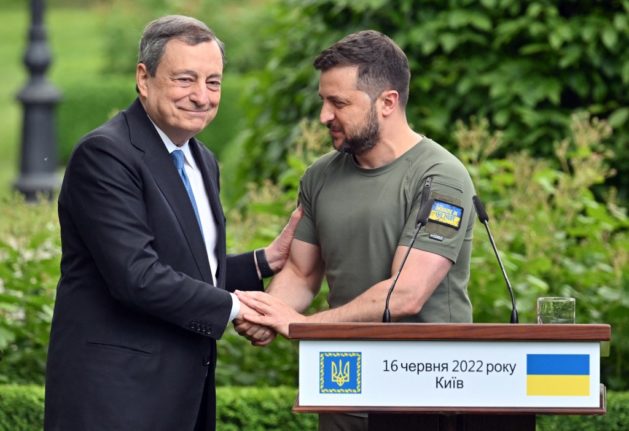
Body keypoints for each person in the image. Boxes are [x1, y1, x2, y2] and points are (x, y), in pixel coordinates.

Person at [44, 15, 299, 431]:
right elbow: (136, 276)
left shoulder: (203, 161)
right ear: (143, 79)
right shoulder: (106, 154)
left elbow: (187, 270)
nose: (202, 96)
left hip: (183, 399)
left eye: (213, 82)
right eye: (185, 80)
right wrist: (237, 309)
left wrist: (264, 261)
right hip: (114, 403)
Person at [236, 30, 476, 431]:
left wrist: (301, 326)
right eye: (323, 101)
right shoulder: (319, 176)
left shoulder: (440, 176)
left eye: (339, 103)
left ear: (387, 102)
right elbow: (301, 272)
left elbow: (406, 293)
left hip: (424, 394)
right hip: (344, 387)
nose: (324, 116)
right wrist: (268, 312)